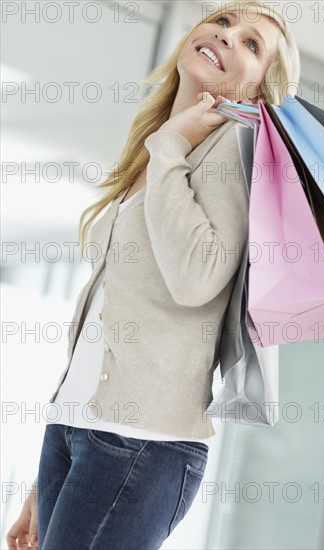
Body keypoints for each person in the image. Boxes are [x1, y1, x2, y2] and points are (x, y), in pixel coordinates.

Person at [6, 1, 300, 548]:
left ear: (259, 92)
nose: (227, 35)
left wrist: (170, 148)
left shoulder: (231, 151)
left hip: (140, 445)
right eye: (224, 22)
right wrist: (44, 484)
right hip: (78, 429)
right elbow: (106, 310)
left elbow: (196, 278)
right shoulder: (164, 141)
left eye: (252, 44)